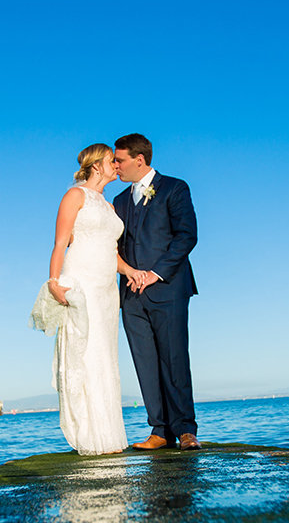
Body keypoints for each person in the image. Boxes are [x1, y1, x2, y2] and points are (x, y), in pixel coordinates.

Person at [30, 143, 142, 455]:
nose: (116, 166)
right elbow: (61, 242)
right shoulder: (74, 196)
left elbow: (111, 251)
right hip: (82, 281)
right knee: (86, 353)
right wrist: (54, 282)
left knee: (106, 356)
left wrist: (130, 271)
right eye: (111, 161)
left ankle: (108, 436)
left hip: (107, 288)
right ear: (97, 165)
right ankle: (89, 436)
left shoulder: (108, 205)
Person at [110, 133, 201, 450]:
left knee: (174, 358)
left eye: (119, 160)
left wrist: (154, 273)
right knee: (145, 362)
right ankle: (160, 430)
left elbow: (187, 237)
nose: (115, 166)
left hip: (168, 288)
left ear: (139, 159)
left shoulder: (175, 188)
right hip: (131, 296)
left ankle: (186, 429)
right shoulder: (119, 201)